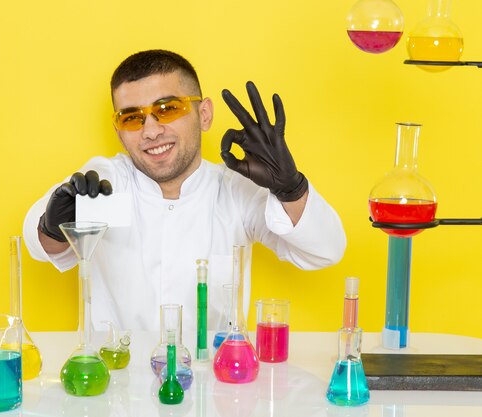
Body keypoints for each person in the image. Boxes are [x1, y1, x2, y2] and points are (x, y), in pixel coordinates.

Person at [23, 49, 346, 331]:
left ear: (203, 114)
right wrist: (51, 226)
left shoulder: (234, 191)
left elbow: (324, 251)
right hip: (115, 382)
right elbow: (41, 244)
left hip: (214, 382)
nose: (150, 131)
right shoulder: (109, 183)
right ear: (119, 130)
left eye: (168, 109)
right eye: (132, 117)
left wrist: (291, 189)